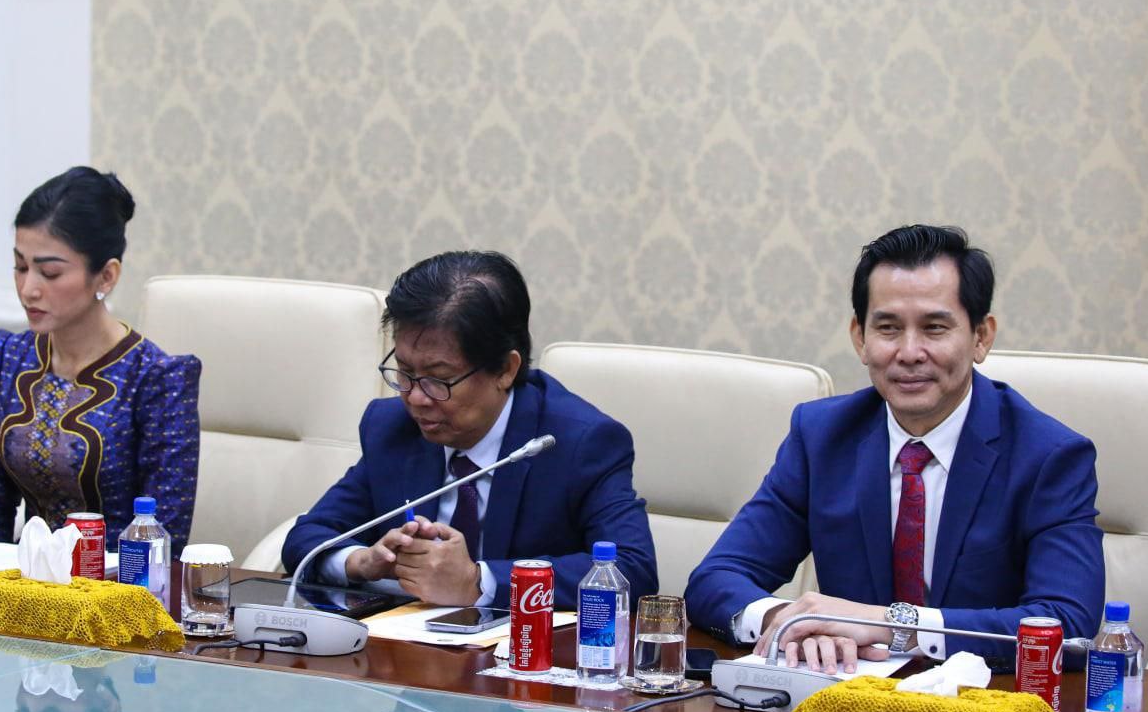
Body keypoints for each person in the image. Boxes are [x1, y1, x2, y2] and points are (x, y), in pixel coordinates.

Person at [686, 224, 1104, 673]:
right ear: (860, 338)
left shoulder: (1049, 457)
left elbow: (1067, 625)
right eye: (888, 328)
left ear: (981, 337)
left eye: (934, 328)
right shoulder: (822, 437)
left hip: (982, 703)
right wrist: (791, 620)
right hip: (843, 695)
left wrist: (888, 625)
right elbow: (715, 580)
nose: (909, 352)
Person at [283, 250, 658, 607]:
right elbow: (309, 536)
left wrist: (478, 581)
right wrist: (361, 561)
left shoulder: (578, 442)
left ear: (505, 370)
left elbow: (632, 569)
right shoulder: (393, 427)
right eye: (405, 372)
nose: (415, 397)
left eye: (439, 379)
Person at [0, 166, 201, 554]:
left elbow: (163, 541)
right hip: (22, 580)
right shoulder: (3, 358)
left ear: (106, 277)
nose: (28, 289)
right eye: (20, 267)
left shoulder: (156, 379)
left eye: (50, 273)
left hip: (119, 586)